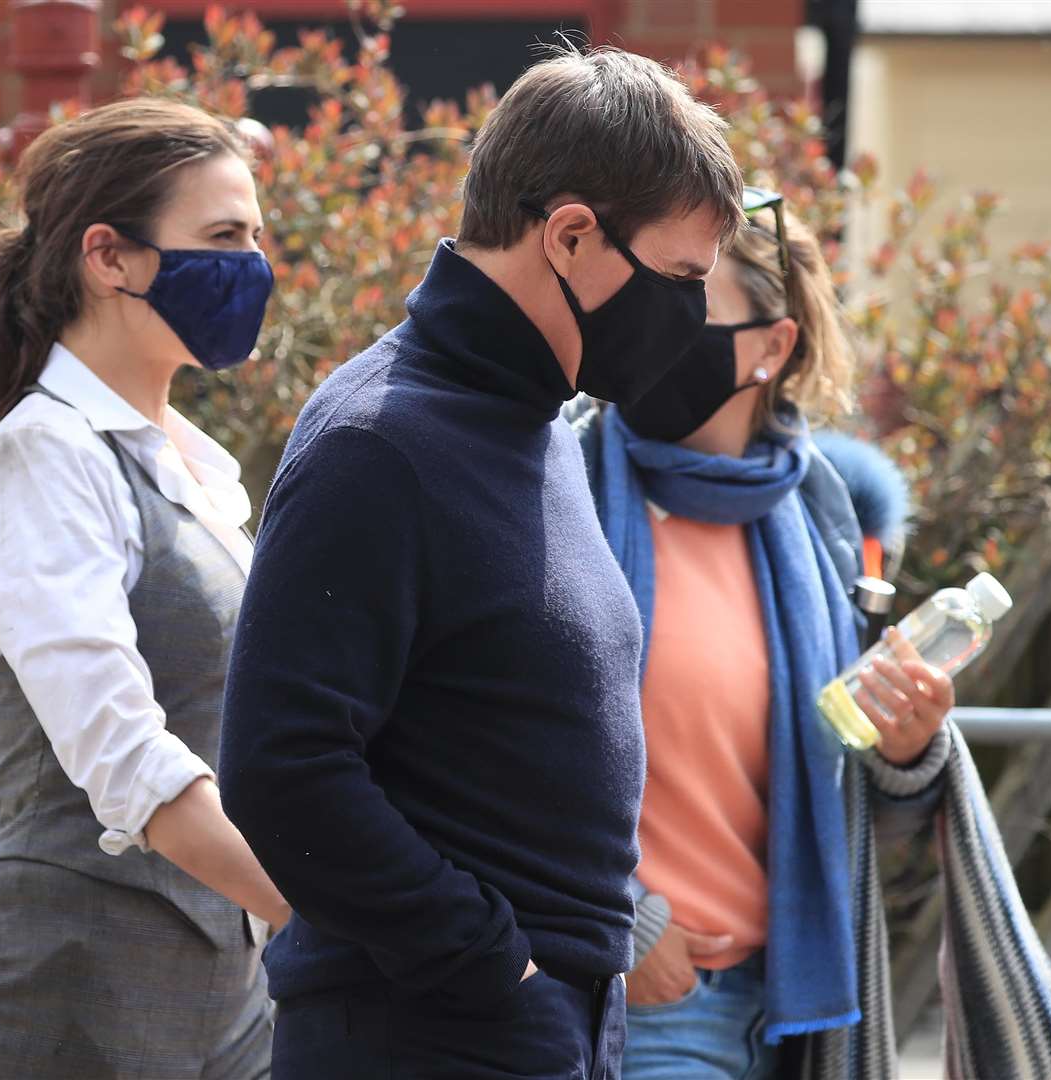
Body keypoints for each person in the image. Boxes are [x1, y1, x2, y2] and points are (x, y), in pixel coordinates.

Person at [217, 46, 745, 1080]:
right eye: (679, 278)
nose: (688, 317)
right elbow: (281, 768)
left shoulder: (535, 422)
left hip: (540, 1023)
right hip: (430, 1029)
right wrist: (487, 960)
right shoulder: (381, 440)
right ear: (570, 235)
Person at [574, 191, 1051, 1079]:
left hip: (801, 1014)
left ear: (771, 349)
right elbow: (495, 747)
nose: (655, 327)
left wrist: (907, 749)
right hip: (648, 1004)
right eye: (649, 293)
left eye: (691, 300)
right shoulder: (564, 489)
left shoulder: (820, 526)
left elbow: (851, 800)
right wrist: (623, 918)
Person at [0, 98, 289, 1080]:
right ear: (109, 258)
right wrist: (339, 911)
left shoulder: (199, 471)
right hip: (60, 995)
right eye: (222, 237)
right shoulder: (41, 459)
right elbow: (122, 753)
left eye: (255, 236)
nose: (254, 265)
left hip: (228, 999)